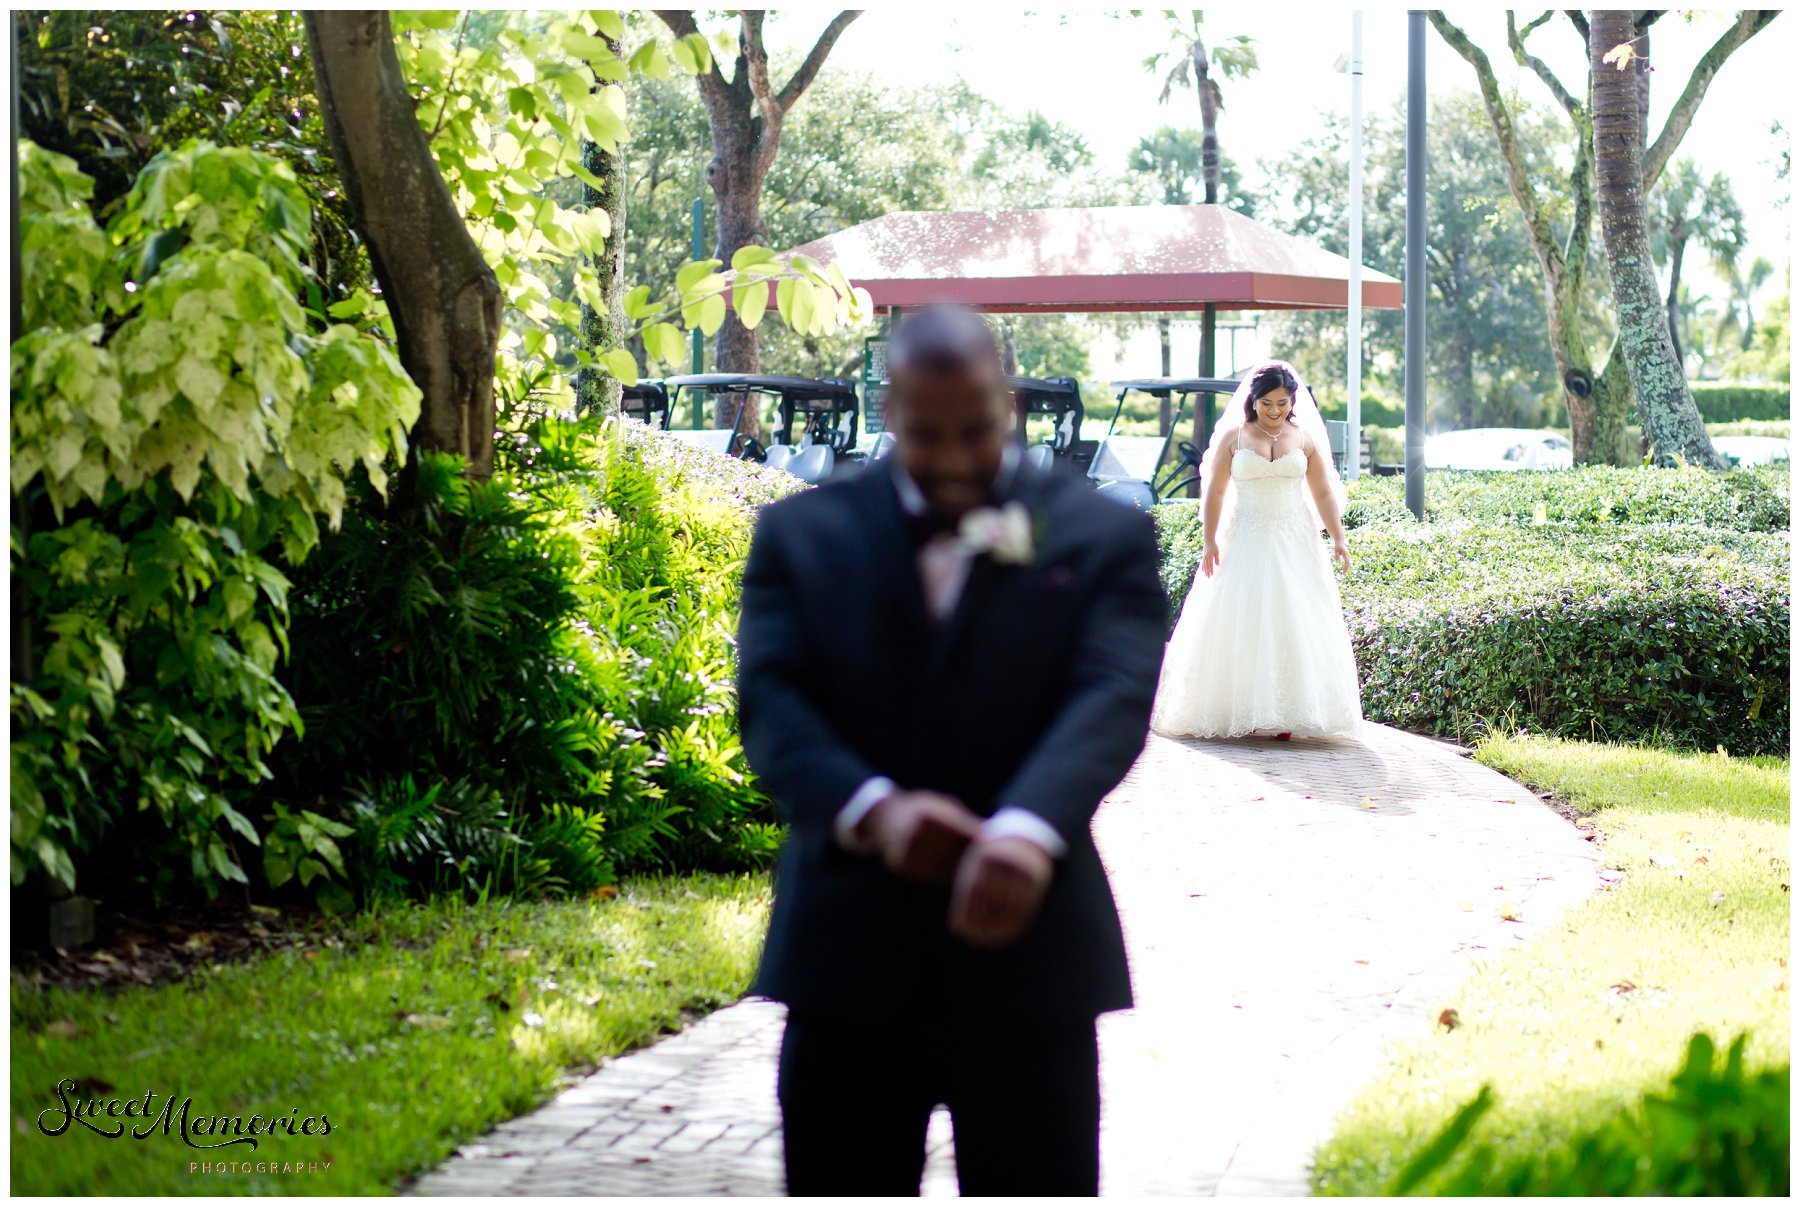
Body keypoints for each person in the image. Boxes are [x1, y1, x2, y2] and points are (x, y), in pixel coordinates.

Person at [735, 304, 1168, 1197]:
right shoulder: (800, 538)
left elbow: (1111, 693)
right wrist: (875, 811)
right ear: (890, 410)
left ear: (1005, 405)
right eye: (928, 434)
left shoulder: (1100, 535)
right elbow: (775, 704)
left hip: (1033, 957)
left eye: (975, 428)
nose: (958, 458)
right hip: (846, 955)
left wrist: (1024, 828)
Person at [1150, 359, 1364, 741]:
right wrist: (1209, 539)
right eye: (1267, 403)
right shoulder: (1236, 437)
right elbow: (1214, 490)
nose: (1275, 410)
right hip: (1245, 534)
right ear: (1253, 400)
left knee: (1293, 619)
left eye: (1282, 403)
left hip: (1294, 538)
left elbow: (1323, 491)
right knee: (1242, 619)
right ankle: (1240, 708)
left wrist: (1339, 537)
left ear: (1292, 401)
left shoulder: (1304, 439)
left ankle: (1288, 715)